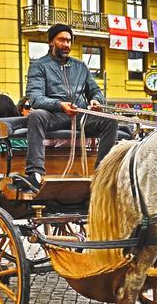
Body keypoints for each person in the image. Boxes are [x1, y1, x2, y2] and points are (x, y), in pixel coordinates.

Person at [18, 24, 117, 192]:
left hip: (79, 116)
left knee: (110, 120)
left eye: (69, 41)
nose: (66, 44)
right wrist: (59, 105)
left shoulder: (81, 67)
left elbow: (95, 91)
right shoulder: (39, 66)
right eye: (62, 40)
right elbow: (35, 98)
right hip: (54, 115)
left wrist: (96, 100)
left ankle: (102, 173)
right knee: (36, 116)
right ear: (51, 42)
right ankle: (35, 174)